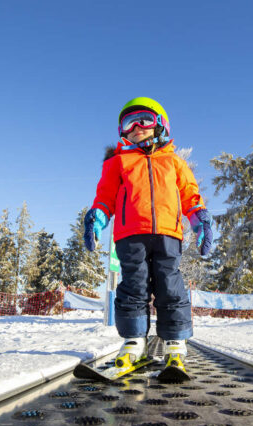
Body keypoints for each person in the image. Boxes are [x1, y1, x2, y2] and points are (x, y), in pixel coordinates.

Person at [84, 97, 213, 371]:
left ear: (160, 125)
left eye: (143, 119)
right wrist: (98, 218)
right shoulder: (118, 162)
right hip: (130, 235)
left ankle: (174, 343)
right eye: (128, 123)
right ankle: (134, 341)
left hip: (168, 233)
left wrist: (200, 220)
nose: (136, 127)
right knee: (134, 286)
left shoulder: (174, 162)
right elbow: (105, 197)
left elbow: (191, 195)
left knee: (170, 285)